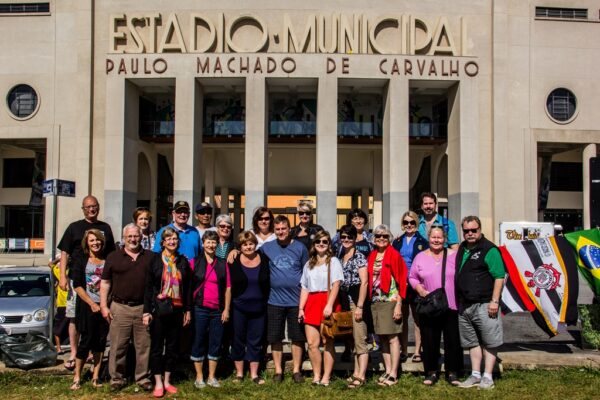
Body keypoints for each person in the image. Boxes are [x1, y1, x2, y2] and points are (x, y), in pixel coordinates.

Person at [57, 195, 116, 371]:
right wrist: (62, 276)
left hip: (100, 281)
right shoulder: (74, 227)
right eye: (88, 207)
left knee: (97, 318)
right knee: (74, 317)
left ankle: (93, 352)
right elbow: (65, 253)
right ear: (83, 209)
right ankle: (75, 353)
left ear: (98, 208)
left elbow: (112, 254)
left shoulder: (105, 228)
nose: (92, 209)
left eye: (95, 206)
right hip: (78, 281)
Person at [100, 224, 154, 392]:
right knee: (118, 346)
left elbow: (154, 285)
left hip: (142, 308)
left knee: (144, 346)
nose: (133, 239)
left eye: (136, 236)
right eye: (129, 236)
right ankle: (117, 378)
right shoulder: (113, 257)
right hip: (119, 307)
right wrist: (103, 305)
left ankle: (143, 378)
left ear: (141, 237)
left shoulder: (151, 257)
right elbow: (105, 282)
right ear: (124, 238)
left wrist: (150, 309)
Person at [409, 225, 463, 386]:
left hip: (451, 304)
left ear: (445, 239)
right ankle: (431, 372)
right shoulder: (420, 256)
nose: (436, 240)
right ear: (428, 238)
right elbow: (412, 277)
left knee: (452, 340)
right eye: (433, 237)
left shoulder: (454, 255)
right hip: (430, 304)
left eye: (440, 237)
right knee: (429, 339)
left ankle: (453, 372)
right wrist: (419, 288)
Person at [456, 216, 506, 390]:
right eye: (466, 231)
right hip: (465, 305)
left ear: (480, 229)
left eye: (473, 230)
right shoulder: (462, 248)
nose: (470, 234)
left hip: (485, 304)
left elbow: (499, 276)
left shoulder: (489, 249)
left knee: (490, 341)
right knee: (472, 342)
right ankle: (475, 374)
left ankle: (488, 377)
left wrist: (494, 301)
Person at [143, 228, 192, 398]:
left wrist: (187, 310)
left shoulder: (182, 261)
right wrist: (146, 311)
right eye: (168, 239)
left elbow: (187, 289)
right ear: (162, 242)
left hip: (177, 309)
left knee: (172, 346)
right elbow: (148, 287)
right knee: (157, 347)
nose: (172, 241)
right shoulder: (155, 260)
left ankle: (167, 380)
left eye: (175, 239)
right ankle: (157, 381)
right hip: (159, 309)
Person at [261, 215, 309, 384]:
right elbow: (250, 252)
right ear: (274, 231)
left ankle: (296, 370)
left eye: (284, 229)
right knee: (275, 337)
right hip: (274, 301)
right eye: (278, 229)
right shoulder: (267, 247)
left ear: (290, 230)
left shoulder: (300, 248)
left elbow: (307, 271)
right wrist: (235, 250)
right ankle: (278, 371)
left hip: (296, 302)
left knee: (297, 337)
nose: (281, 232)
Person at [298, 231, 343, 387]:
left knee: (328, 341)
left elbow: (336, 284)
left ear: (329, 244)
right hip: (311, 302)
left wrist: (329, 305)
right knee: (312, 343)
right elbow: (304, 287)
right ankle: (316, 375)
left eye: (325, 241)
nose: (321, 244)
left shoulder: (334, 261)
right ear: (314, 244)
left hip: (327, 301)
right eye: (318, 241)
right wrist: (301, 308)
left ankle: (326, 376)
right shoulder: (309, 263)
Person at [367, 224, 407, 387]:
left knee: (392, 337)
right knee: (382, 337)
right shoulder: (372, 255)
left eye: (384, 236)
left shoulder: (394, 255)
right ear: (374, 239)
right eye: (378, 236)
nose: (381, 239)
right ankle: (388, 369)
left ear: (389, 238)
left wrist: (399, 305)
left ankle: (394, 373)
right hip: (376, 301)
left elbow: (402, 280)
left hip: (390, 300)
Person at [190, 230, 231, 389]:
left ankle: (211, 376)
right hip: (199, 308)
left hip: (217, 309)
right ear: (203, 243)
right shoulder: (195, 262)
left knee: (216, 341)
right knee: (199, 340)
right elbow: (189, 287)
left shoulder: (222, 263)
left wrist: (226, 309)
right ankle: (199, 376)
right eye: (208, 241)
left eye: (214, 242)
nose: (211, 245)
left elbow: (228, 288)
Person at [70, 229, 109, 390]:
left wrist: (104, 304)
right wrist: (91, 303)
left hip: (104, 306)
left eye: (98, 240)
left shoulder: (108, 259)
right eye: (92, 240)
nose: (95, 243)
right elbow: (77, 284)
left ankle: (96, 376)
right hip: (87, 307)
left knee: (100, 342)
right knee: (86, 341)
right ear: (87, 243)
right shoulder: (81, 259)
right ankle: (77, 376)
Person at [229, 231, 270, 384]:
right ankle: (239, 374)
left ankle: (254, 375)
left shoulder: (264, 259)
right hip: (238, 307)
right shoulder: (233, 260)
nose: (248, 247)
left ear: (255, 244)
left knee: (256, 341)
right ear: (240, 247)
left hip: (259, 308)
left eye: (251, 243)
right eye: (245, 244)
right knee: (238, 339)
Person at [392, 210, 429, 363]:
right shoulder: (397, 241)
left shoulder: (423, 241)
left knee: (417, 318)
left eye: (412, 222)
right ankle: (404, 349)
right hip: (401, 283)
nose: (409, 225)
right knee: (402, 318)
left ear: (416, 224)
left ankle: (418, 350)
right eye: (406, 222)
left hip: (416, 283)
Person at [336, 225, 369, 389]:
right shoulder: (341, 256)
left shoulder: (360, 257)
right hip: (344, 301)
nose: (346, 240)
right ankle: (356, 373)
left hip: (356, 301)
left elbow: (365, 282)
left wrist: (360, 306)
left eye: (349, 237)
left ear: (355, 239)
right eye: (343, 237)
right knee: (353, 339)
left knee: (360, 339)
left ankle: (361, 375)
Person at [48, 254, 69, 355]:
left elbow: (51, 264)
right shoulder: (60, 272)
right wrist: (60, 259)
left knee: (60, 326)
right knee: (59, 326)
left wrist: (59, 259)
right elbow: (51, 264)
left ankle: (59, 347)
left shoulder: (62, 272)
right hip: (63, 304)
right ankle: (58, 348)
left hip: (67, 303)